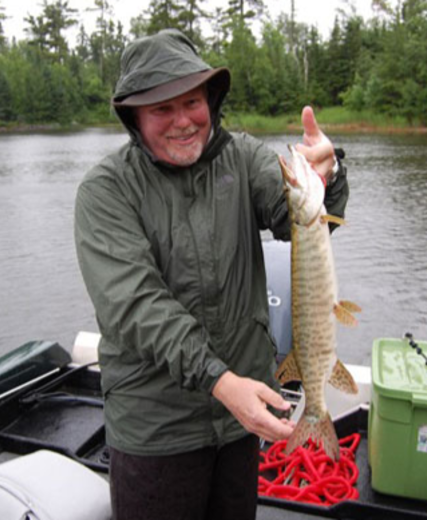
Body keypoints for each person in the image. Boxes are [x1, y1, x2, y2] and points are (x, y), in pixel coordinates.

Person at [74, 29, 349, 520]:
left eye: (192, 101)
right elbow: (137, 308)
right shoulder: (106, 191)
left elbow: (300, 220)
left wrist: (326, 178)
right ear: (134, 116)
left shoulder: (243, 159)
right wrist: (222, 383)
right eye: (162, 108)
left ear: (211, 100)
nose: (183, 121)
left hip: (242, 420)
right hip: (156, 430)